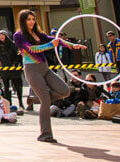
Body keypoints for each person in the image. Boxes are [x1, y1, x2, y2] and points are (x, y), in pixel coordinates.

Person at [13, 8, 85, 143]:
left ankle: (37, 98)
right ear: (23, 21)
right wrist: (50, 45)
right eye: (28, 19)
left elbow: (56, 40)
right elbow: (31, 49)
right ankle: (46, 134)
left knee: (65, 90)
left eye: (33, 19)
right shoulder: (19, 35)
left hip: (45, 68)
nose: (32, 22)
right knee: (46, 101)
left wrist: (72, 45)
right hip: (32, 70)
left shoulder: (38, 34)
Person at [0, 29, 23, 106]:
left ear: (6, 36)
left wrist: (15, 63)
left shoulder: (13, 45)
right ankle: (8, 103)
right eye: (0, 35)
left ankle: (20, 103)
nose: (1, 36)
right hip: (4, 69)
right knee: (6, 88)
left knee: (17, 86)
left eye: (2, 35)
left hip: (13, 69)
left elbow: (18, 56)